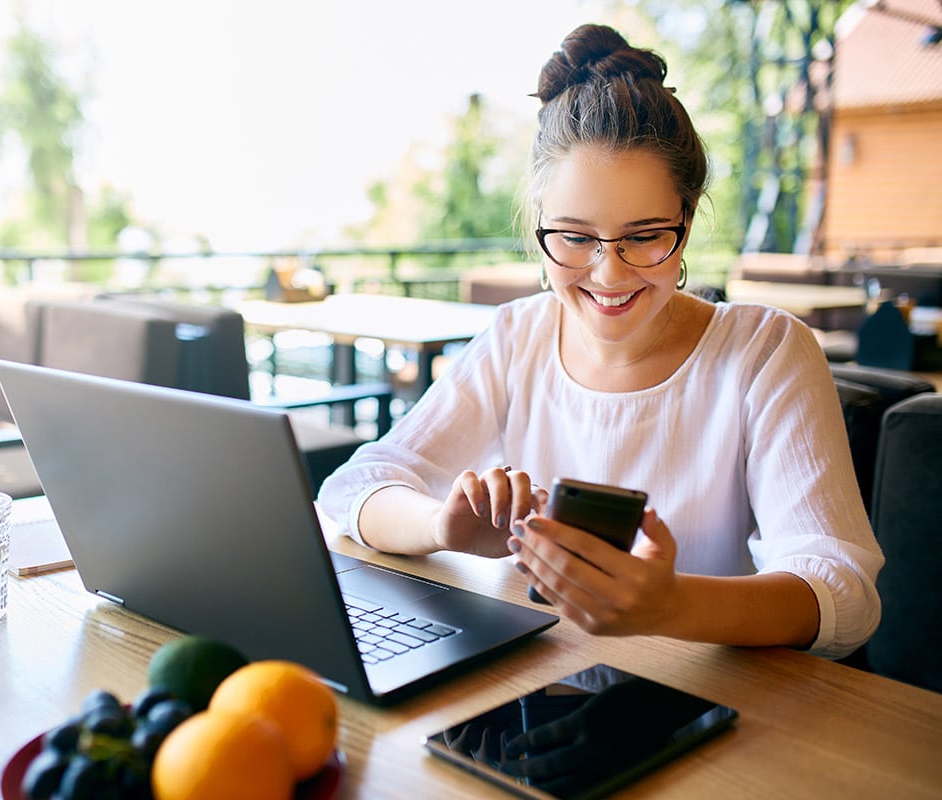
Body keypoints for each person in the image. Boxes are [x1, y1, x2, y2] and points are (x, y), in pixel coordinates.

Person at [317, 23, 883, 660]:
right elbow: (352, 487)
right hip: (540, 678)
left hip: (707, 701)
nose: (609, 274)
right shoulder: (517, 335)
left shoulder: (765, 351)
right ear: (539, 226)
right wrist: (440, 526)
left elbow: (845, 596)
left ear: (687, 222)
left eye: (644, 236)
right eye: (576, 237)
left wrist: (674, 604)